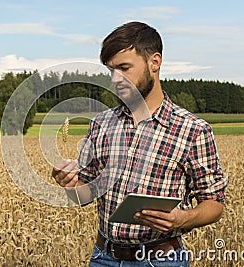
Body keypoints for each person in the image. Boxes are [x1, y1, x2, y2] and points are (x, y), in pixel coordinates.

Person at [52, 21, 228, 267]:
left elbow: (214, 204)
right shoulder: (101, 124)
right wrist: (70, 183)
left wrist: (181, 219)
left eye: (124, 68)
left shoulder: (193, 130)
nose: (116, 79)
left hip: (161, 260)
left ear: (154, 62)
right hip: (103, 258)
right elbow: (85, 194)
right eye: (111, 71)